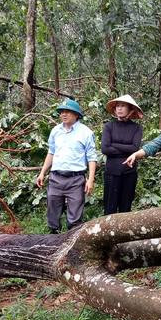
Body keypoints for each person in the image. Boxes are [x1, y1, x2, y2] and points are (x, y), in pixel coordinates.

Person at [36, 98, 97, 234]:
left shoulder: (86, 132)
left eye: (68, 112)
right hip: (56, 177)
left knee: (75, 216)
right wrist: (42, 173)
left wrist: (90, 180)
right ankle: (53, 237)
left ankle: (72, 240)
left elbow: (92, 158)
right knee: (52, 210)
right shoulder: (56, 131)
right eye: (62, 112)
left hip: (76, 179)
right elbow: (51, 152)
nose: (64, 114)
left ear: (76, 115)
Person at [101, 95, 144, 214]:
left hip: (129, 172)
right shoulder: (109, 126)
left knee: (126, 207)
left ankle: (123, 232)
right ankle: (107, 232)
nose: (119, 108)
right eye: (117, 106)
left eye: (123, 106)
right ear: (114, 110)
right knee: (110, 207)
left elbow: (135, 148)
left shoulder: (137, 128)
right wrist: (127, 149)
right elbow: (105, 149)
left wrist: (113, 144)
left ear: (130, 109)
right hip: (111, 172)